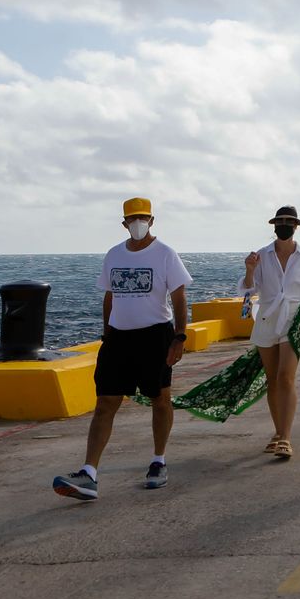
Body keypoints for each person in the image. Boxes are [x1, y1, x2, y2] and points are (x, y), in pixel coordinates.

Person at [54, 197, 190, 501]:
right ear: (124, 223)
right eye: (132, 218)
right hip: (118, 338)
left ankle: (158, 461)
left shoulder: (165, 254)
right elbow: (109, 296)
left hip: (156, 335)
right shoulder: (114, 254)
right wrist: (106, 334)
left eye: (143, 217)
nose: (138, 223)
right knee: (105, 402)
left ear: (152, 220)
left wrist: (179, 337)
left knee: (160, 398)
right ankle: (89, 473)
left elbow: (179, 297)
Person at [240, 207, 300, 460]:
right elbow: (249, 290)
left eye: (289, 222)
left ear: (296, 226)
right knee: (272, 379)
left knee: (286, 377)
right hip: (267, 318)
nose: (284, 225)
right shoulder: (262, 255)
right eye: (280, 221)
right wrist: (250, 268)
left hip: (294, 317)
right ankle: (278, 431)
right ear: (274, 225)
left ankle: (285, 436)